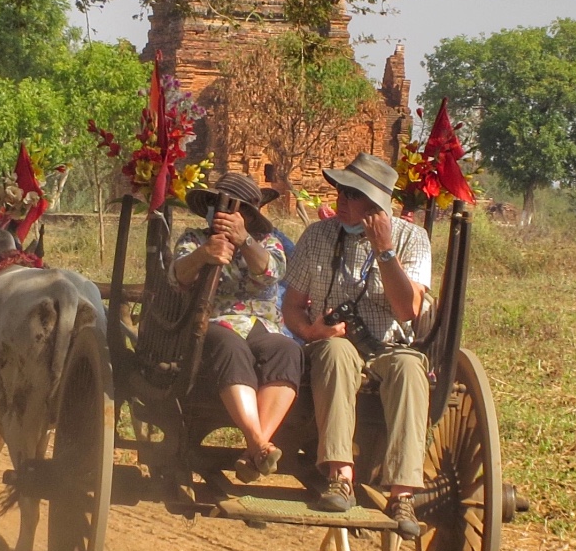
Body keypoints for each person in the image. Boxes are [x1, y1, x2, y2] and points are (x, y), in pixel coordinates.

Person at [280, 151, 430, 529]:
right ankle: (340, 476)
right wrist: (310, 331)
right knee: (333, 350)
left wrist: (385, 251)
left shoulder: (413, 238)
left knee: (411, 368)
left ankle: (403, 495)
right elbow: (292, 306)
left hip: (389, 346)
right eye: (340, 192)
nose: (340, 201)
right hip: (334, 342)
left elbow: (408, 309)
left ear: (375, 205)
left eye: (352, 194)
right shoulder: (317, 235)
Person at [172, 171, 301, 480]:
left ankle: (254, 450)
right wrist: (205, 254)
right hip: (214, 323)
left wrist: (243, 241)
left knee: (287, 351)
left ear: (248, 216)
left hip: (264, 326)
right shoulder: (194, 237)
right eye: (218, 205)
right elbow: (178, 275)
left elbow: (271, 273)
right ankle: (258, 443)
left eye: (233, 209)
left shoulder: (269, 242)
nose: (224, 213)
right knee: (230, 346)